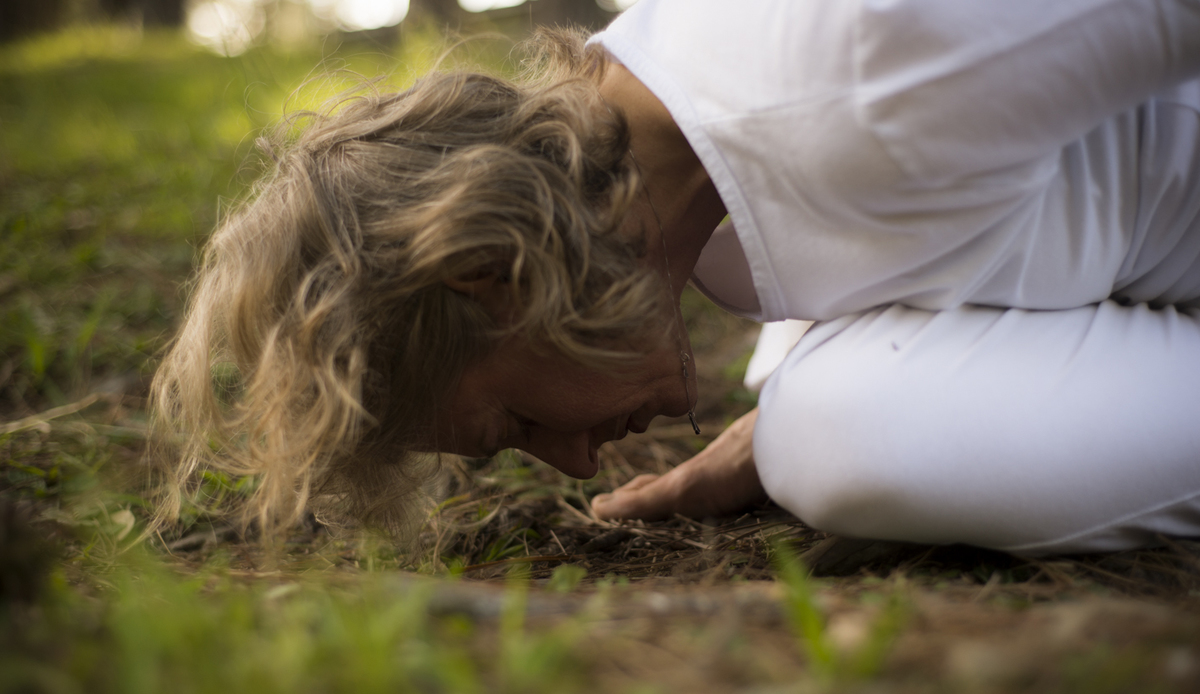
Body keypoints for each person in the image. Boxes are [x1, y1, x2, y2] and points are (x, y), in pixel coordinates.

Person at [153, 0, 1200, 555]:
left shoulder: (863, 48)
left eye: (513, 422)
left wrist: (819, 425)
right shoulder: (712, 205)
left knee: (834, 436)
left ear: (491, 273)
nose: (571, 466)